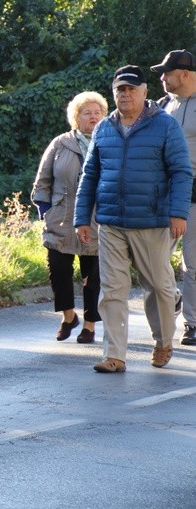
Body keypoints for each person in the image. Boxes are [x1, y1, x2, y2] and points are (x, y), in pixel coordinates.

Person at [74, 65, 192, 373]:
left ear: (144, 92)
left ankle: (164, 340)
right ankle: (115, 354)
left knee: (159, 287)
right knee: (112, 289)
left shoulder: (164, 125)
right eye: (119, 90)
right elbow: (90, 175)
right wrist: (82, 218)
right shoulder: (104, 127)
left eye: (131, 89)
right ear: (113, 93)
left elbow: (181, 171)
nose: (125, 95)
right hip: (111, 222)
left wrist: (178, 213)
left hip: (152, 222)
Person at [31, 92, 107, 344]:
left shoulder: (109, 141)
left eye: (98, 112)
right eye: (87, 112)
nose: (93, 116)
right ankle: (68, 316)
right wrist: (45, 210)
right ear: (76, 117)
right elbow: (43, 180)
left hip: (97, 219)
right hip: (61, 219)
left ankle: (89, 326)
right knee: (58, 270)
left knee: (92, 277)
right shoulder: (60, 143)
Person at [151, 50, 196, 346]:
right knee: (153, 262)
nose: (162, 78)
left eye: (167, 72)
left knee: (192, 263)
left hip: (194, 195)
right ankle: (174, 295)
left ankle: (192, 324)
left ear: (185, 74)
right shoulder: (160, 106)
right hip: (161, 195)